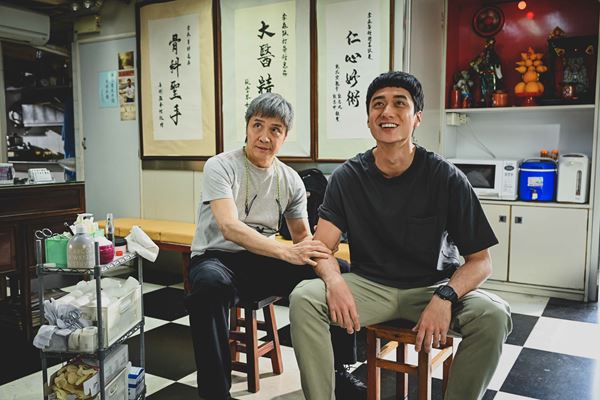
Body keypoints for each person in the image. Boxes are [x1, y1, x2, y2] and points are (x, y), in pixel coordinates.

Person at [289, 71, 513, 400]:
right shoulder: (347, 177)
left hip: (432, 287)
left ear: (417, 117)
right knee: (304, 298)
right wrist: (334, 281)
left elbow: (480, 261)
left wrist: (445, 297)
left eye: (399, 104)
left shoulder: (445, 177)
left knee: (494, 315)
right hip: (370, 286)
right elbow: (321, 247)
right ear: (369, 119)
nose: (387, 112)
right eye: (378, 104)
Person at [184, 92, 365, 400]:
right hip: (216, 258)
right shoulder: (221, 166)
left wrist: (324, 253)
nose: (264, 136)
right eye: (258, 125)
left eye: (275, 129)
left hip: (260, 260)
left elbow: (302, 237)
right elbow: (229, 227)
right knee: (209, 288)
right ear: (247, 126)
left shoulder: (290, 180)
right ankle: (215, 393)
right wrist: (286, 252)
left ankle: (340, 370)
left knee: (340, 273)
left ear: (285, 136)